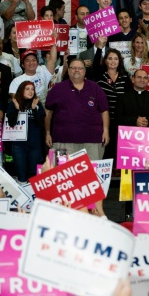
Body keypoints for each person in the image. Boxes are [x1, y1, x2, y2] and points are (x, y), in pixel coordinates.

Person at [45, 58, 109, 216]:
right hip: (62, 140)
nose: (76, 71)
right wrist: (47, 132)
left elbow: (104, 111)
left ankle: (94, 212)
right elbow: (48, 112)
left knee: (92, 180)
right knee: (62, 179)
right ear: (69, 70)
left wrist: (106, 130)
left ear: (85, 71)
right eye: (73, 68)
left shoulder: (95, 88)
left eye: (80, 68)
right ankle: (61, 213)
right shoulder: (58, 89)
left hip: (92, 140)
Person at [93, 38, 132, 163]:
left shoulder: (125, 77)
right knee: (105, 149)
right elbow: (95, 64)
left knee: (119, 150)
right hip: (102, 119)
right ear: (105, 61)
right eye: (110, 58)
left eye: (115, 58)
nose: (113, 61)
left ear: (119, 61)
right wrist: (100, 47)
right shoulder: (100, 75)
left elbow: (128, 98)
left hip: (120, 119)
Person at [5, 81, 45, 184]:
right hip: (18, 146)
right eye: (27, 89)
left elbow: (40, 124)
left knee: (33, 178)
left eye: (32, 89)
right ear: (21, 90)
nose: (30, 91)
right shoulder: (14, 103)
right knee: (21, 177)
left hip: (34, 146)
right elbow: (12, 124)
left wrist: (34, 109)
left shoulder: (37, 103)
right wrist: (17, 109)